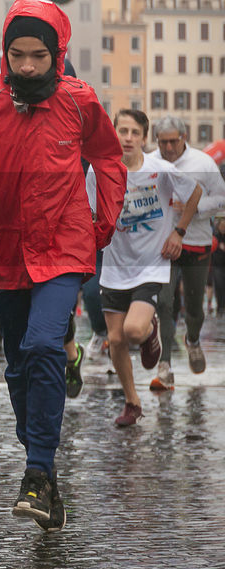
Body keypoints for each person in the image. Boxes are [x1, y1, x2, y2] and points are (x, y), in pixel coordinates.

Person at [0, 0, 126, 532]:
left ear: (58, 52)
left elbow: (109, 157)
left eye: (40, 55)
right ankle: (45, 477)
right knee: (18, 362)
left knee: (43, 344)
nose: (28, 67)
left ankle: (36, 470)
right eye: (17, 55)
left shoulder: (80, 102)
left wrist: (102, 220)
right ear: (5, 52)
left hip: (63, 243)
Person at [89, 110, 200, 421]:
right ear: (113, 134)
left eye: (134, 132)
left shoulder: (160, 169)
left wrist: (179, 232)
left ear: (143, 137)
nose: (127, 138)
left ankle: (151, 331)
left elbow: (195, 192)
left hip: (151, 264)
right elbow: (90, 214)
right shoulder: (99, 172)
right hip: (114, 265)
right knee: (116, 340)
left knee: (134, 330)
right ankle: (132, 402)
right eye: (122, 131)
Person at [152, 116, 225, 379]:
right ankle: (165, 361)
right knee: (164, 302)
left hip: (196, 242)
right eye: (164, 142)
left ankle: (193, 340)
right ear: (157, 141)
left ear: (184, 138)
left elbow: (221, 197)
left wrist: (196, 207)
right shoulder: (152, 162)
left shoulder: (202, 163)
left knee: (194, 306)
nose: (169, 147)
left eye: (174, 141)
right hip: (163, 246)